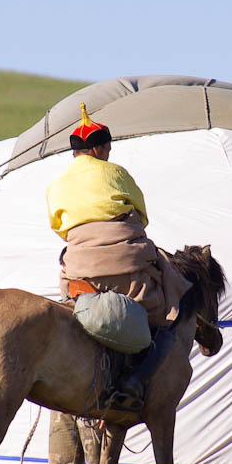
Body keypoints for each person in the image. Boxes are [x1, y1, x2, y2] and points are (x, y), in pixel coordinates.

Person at [45, 103, 190, 411]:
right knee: (163, 319)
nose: (109, 153)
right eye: (107, 148)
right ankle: (135, 381)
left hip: (79, 269)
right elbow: (141, 213)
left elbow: (58, 226)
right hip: (125, 265)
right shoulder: (117, 173)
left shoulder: (56, 184)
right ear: (97, 149)